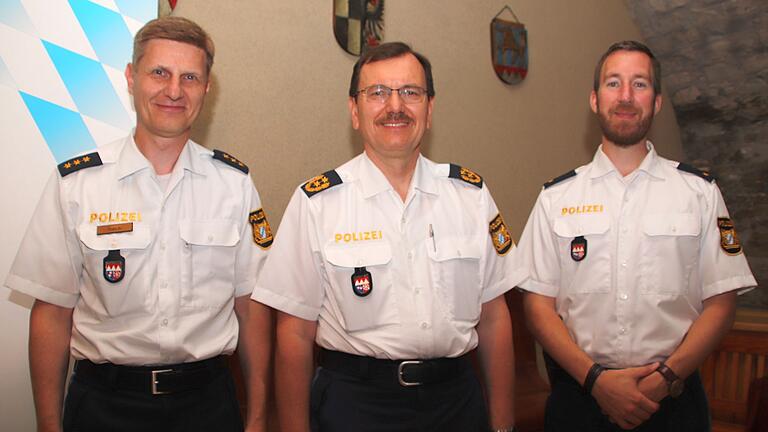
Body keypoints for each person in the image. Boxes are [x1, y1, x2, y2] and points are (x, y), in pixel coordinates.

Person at [4, 16, 272, 432]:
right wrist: (48, 425)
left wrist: (257, 419)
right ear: (132, 78)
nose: (173, 90)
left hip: (208, 406)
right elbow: (52, 314)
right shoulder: (78, 184)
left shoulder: (234, 185)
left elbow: (250, 311)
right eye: (159, 73)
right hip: (103, 407)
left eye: (189, 77)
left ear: (206, 88)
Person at [250, 42, 525, 432]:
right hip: (357, 406)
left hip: (456, 404)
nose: (395, 106)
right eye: (377, 93)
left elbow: (495, 319)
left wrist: (503, 425)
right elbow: (294, 334)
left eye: (410, 93)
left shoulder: (471, 196)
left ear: (429, 110)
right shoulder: (317, 202)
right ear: (354, 111)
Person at [517, 40, 757, 432]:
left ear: (657, 102)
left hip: (673, 403)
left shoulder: (698, 193)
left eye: (640, 84)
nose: (626, 96)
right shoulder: (556, 199)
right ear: (594, 100)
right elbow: (538, 306)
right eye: (614, 83)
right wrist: (596, 380)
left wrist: (664, 379)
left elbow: (721, 302)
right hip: (580, 401)